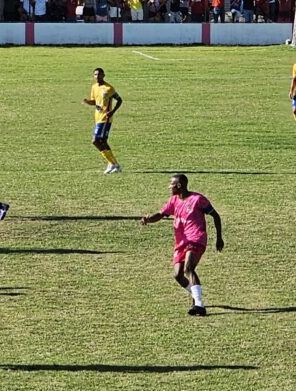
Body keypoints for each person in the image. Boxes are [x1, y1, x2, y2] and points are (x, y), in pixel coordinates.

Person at [140, 174, 224, 316]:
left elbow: (215, 215)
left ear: (179, 186)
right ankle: (195, 294)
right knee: (178, 275)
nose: (169, 187)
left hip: (196, 239)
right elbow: (161, 214)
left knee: (189, 268)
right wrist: (148, 220)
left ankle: (199, 305)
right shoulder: (174, 201)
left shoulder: (198, 200)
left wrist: (219, 238)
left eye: (171, 184)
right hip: (181, 242)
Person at [81, 67, 123, 174]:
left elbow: (119, 100)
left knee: (95, 140)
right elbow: (95, 102)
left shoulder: (109, 88)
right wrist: (87, 102)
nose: (97, 77)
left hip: (105, 118)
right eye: (95, 75)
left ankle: (113, 164)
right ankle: (114, 164)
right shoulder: (94, 87)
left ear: (103, 75)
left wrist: (112, 112)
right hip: (98, 117)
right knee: (102, 141)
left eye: (99, 75)